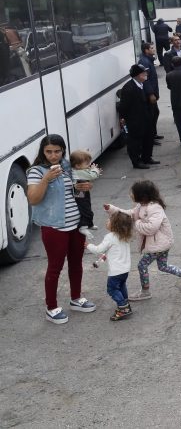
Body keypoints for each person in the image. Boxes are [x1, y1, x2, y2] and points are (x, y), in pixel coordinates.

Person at [26, 134, 97, 324]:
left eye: (57, 151)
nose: (53, 155)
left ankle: (76, 298)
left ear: (63, 150)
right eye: (48, 151)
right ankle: (52, 308)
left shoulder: (67, 167)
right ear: (43, 151)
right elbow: (33, 198)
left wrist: (84, 186)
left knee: (76, 263)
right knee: (55, 267)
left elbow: (75, 192)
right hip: (54, 227)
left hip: (76, 225)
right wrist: (46, 179)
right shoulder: (36, 171)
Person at [108, 180, 181, 299]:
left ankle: (145, 292)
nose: (131, 194)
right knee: (163, 266)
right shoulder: (141, 205)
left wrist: (136, 223)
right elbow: (131, 213)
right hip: (159, 244)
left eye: (133, 192)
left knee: (142, 266)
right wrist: (113, 209)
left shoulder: (155, 208)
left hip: (158, 245)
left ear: (142, 195)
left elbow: (151, 228)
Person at [86, 208, 134, 321]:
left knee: (112, 289)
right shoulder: (125, 236)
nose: (106, 222)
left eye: (109, 220)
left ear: (115, 225)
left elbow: (99, 249)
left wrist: (88, 246)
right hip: (125, 269)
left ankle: (123, 308)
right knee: (121, 286)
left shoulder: (110, 237)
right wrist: (100, 261)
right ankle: (125, 303)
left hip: (115, 272)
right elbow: (108, 253)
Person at [118, 64, 157, 169]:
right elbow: (123, 107)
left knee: (148, 139)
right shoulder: (128, 88)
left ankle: (147, 158)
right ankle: (136, 162)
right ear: (137, 75)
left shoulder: (143, 84)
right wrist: (125, 119)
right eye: (143, 73)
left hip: (147, 118)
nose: (146, 74)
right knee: (135, 142)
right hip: (135, 121)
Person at [69, 149, 101, 238]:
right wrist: (95, 170)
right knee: (85, 209)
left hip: (80, 193)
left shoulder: (76, 170)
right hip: (81, 194)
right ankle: (83, 226)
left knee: (87, 207)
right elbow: (92, 176)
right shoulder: (80, 172)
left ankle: (89, 224)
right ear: (78, 165)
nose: (89, 165)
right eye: (87, 164)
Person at [138, 42, 162, 144]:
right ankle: (150, 138)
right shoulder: (144, 62)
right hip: (149, 94)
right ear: (146, 50)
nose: (154, 49)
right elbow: (145, 79)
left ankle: (153, 134)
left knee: (155, 113)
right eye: (151, 48)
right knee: (151, 115)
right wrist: (151, 94)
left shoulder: (149, 60)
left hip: (152, 92)